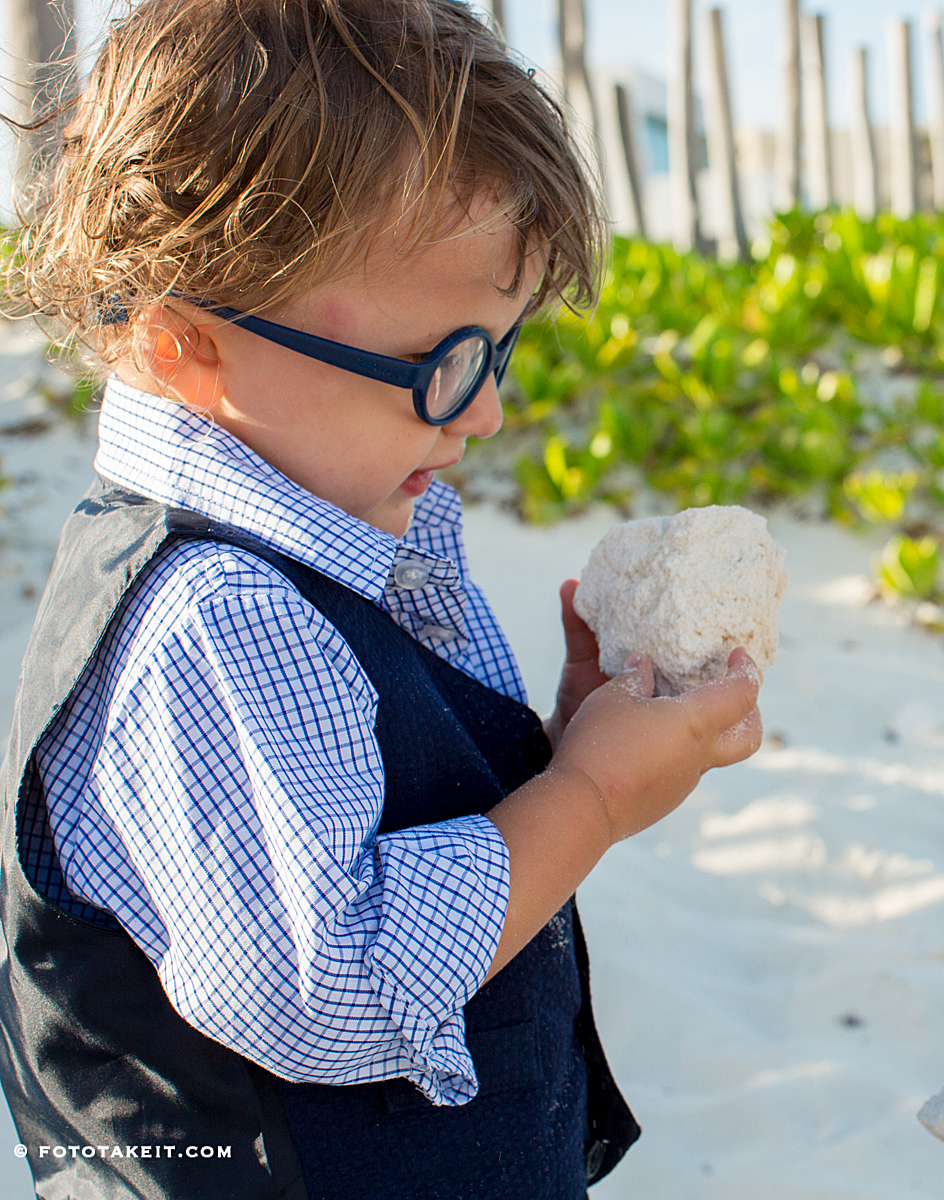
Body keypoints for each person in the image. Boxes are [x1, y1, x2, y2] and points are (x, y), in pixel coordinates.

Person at [0, 2, 762, 1196]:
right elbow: (336, 990)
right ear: (185, 341)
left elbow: (386, 834)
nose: (487, 413)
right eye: (444, 363)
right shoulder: (218, 615)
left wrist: (555, 751)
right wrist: (590, 797)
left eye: (500, 354)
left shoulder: (332, 518)